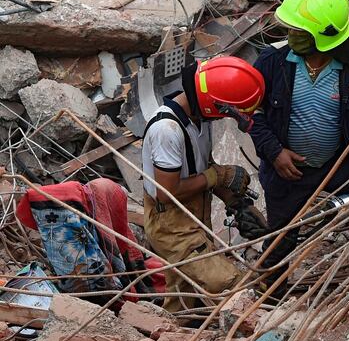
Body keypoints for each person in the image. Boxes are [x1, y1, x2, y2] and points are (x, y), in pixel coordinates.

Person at [249, 0, 349, 292]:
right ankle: (270, 298)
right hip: (287, 172)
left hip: (340, 166)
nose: (291, 36)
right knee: (281, 239)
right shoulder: (271, 62)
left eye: (300, 31)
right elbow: (253, 116)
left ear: (322, 37)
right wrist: (275, 152)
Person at [142, 55, 268, 313]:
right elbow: (167, 193)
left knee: (183, 295)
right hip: (172, 227)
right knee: (232, 285)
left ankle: (169, 337)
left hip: (196, 217)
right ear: (214, 104)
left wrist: (235, 202)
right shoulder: (167, 130)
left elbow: (203, 168)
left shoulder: (199, 119)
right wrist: (218, 176)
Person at [16, 178, 155, 305]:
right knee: (76, 254)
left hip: (80, 200)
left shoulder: (63, 221)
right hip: (65, 206)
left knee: (84, 259)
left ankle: (108, 298)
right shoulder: (61, 222)